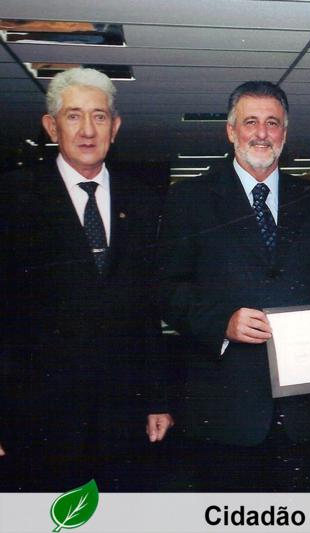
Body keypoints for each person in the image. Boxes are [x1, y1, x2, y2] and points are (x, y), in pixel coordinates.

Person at [157, 81, 310, 491]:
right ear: (231, 131)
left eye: (272, 123)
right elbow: (167, 289)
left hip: (306, 413)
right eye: (251, 122)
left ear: (285, 132)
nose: (262, 133)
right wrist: (222, 322)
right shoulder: (189, 199)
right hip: (225, 412)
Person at [0, 67, 172, 491]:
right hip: (37, 413)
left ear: (115, 127)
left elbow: (147, 311)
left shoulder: (144, 201)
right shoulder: (13, 197)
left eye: (99, 116)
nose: (88, 130)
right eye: (73, 116)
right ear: (51, 126)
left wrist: (158, 399)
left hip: (124, 414)